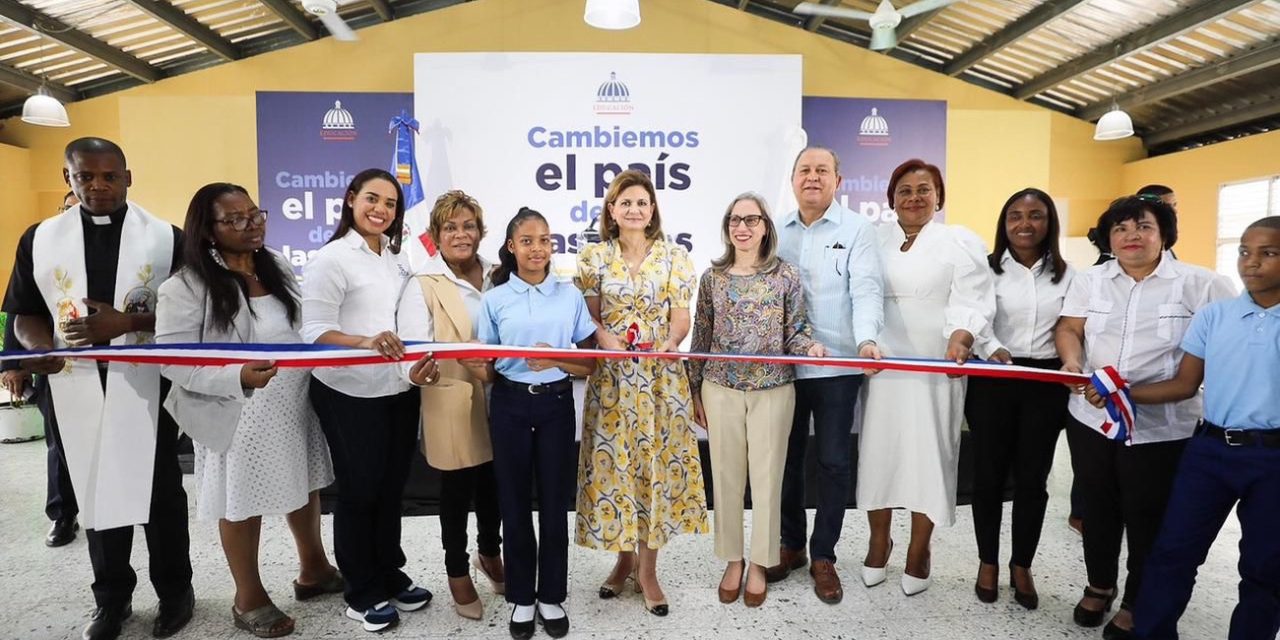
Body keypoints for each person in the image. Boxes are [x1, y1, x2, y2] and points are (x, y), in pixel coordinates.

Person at [2, 137, 193, 640]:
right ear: (69, 179)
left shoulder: (166, 238)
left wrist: (124, 324)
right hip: (74, 382)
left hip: (148, 382)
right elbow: (24, 311)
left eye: (109, 175)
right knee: (95, 489)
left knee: (160, 494)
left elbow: (194, 312)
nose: (98, 185)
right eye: (85, 176)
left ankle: (176, 593)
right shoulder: (40, 239)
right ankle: (112, 600)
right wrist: (38, 347)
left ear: (129, 177)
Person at [155, 183, 340, 638]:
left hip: (294, 400)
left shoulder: (273, 264)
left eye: (254, 215)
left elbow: (303, 327)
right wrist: (237, 376)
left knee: (306, 482)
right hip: (237, 408)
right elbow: (172, 359)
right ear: (208, 230)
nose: (250, 225)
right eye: (234, 219)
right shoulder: (186, 284)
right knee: (242, 500)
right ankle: (248, 596)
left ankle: (313, 568)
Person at [1090, 216, 1278, 640]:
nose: (1252, 263)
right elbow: (1184, 383)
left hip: (1273, 458)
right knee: (1173, 552)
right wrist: (1120, 392)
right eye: (1245, 251)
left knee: (1264, 567)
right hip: (1209, 451)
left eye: (1268, 253)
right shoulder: (1216, 315)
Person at [1055, 195, 1234, 638]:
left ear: (1164, 234)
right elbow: (1069, 329)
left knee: (1147, 515)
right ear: (1109, 238)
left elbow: (1222, 350)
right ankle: (1099, 584)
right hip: (1090, 417)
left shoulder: (1204, 285)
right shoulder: (1090, 280)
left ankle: (1137, 600)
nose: (1131, 236)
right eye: (1120, 229)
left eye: (1143, 226)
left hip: (1163, 428)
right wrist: (1072, 364)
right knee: (1096, 507)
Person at [301, 169, 439, 633]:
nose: (381, 209)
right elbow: (313, 332)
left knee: (390, 487)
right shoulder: (332, 259)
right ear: (350, 200)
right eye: (372, 199)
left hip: (397, 388)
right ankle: (361, 590)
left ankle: (389, 572)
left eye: (390, 203)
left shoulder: (395, 258)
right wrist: (365, 342)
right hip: (348, 390)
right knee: (360, 490)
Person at [574, 170, 709, 616]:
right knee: (619, 472)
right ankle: (622, 561)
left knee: (655, 471)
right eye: (625, 202)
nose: (635, 209)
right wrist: (604, 338)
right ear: (612, 211)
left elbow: (681, 318)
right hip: (612, 384)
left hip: (659, 382)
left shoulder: (675, 256)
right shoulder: (593, 257)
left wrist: (670, 344)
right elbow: (588, 320)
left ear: (653, 211)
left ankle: (648, 571)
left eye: (642, 202)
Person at [858, 158, 995, 597]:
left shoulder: (958, 241)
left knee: (930, 457)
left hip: (937, 364)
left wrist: (962, 337)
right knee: (879, 454)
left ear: (939, 196)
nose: (914, 197)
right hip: (883, 364)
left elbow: (972, 298)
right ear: (891, 199)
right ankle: (879, 541)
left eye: (924, 189)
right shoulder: (873, 239)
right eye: (904, 190)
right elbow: (859, 293)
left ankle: (920, 550)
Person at [461, 207, 598, 640]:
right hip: (510, 406)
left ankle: (552, 594)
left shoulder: (569, 294)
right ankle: (522, 596)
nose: (538, 248)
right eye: (527, 240)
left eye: (545, 240)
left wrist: (555, 358)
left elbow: (589, 365)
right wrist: (472, 364)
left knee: (556, 504)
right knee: (514, 503)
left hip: (557, 406)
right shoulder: (495, 299)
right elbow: (488, 367)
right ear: (511, 247)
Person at [687, 192, 826, 608]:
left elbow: (796, 330)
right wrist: (694, 389)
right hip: (720, 389)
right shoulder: (713, 278)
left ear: (766, 226)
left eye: (751, 219)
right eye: (734, 219)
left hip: (773, 390)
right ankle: (733, 560)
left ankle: (762, 563)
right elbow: (701, 337)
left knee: (768, 481)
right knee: (727, 479)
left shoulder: (785, 275)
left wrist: (810, 348)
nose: (742, 227)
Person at [769, 146, 884, 605]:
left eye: (822, 170)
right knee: (786, 460)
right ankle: (791, 544)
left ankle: (824, 554)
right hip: (784, 367)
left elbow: (868, 288)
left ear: (839, 179)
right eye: (804, 170)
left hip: (837, 366)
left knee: (834, 462)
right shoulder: (775, 230)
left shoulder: (857, 229)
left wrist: (867, 340)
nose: (812, 177)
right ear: (793, 178)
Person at [966, 188, 1074, 609]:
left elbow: (1071, 328)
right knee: (988, 477)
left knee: (1034, 480)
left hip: (1045, 383)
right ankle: (987, 562)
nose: (1025, 224)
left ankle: (1022, 565)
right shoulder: (985, 270)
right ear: (1003, 222)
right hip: (993, 376)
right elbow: (971, 316)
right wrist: (992, 345)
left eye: (1035, 215)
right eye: (1015, 215)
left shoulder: (1069, 276)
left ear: (1050, 223)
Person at [413, 190, 505, 620]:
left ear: (481, 232)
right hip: (452, 398)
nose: (461, 234)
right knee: (455, 491)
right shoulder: (422, 283)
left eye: (468, 226)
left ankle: (490, 553)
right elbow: (414, 343)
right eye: (450, 227)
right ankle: (456, 571)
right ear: (436, 235)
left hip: (500, 395)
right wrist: (417, 368)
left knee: (493, 486)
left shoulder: (501, 274)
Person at [1, 189, 81, 548]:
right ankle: (63, 514)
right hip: (55, 365)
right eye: (68, 208)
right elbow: (20, 309)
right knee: (60, 444)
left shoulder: (125, 251)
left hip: (119, 368)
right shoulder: (41, 248)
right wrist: (15, 363)